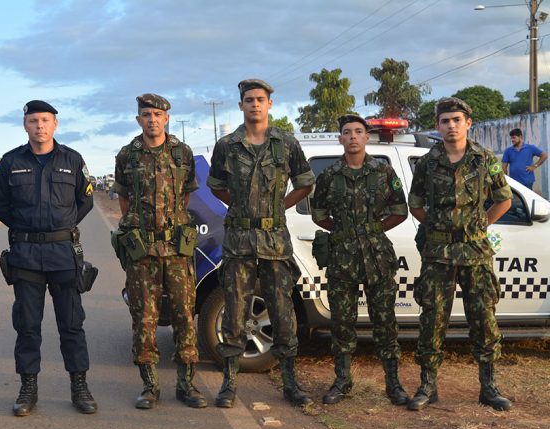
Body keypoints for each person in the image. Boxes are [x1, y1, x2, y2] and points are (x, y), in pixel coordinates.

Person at [207, 79, 316, 408]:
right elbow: (216, 185)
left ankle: (290, 382)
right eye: (249, 100)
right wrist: (240, 206)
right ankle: (229, 382)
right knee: (234, 311)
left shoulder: (286, 143)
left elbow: (305, 182)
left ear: (270, 104)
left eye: (260, 99)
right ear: (240, 105)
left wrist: (279, 207)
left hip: (274, 241)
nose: (255, 104)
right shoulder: (227, 145)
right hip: (239, 240)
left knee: (282, 311)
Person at [0, 100, 97, 416]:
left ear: (55, 124)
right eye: (34, 120)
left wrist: (61, 226)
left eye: (45, 120)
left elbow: (86, 200)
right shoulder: (10, 161)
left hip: (63, 255)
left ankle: (79, 386)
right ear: (25, 124)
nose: (40, 126)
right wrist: (27, 228)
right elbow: (0, 205)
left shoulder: (72, 159)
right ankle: (28, 389)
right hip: (25, 256)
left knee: (72, 325)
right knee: (27, 326)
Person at [407, 97, 513, 412]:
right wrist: (437, 227)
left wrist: (479, 226)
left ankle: (489, 388)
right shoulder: (427, 163)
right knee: (432, 319)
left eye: (456, 120)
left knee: (483, 318)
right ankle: (428, 386)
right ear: (437, 126)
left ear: (468, 123)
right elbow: (415, 204)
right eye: (445, 121)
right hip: (438, 253)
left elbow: (504, 199)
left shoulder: (486, 159)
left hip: (475, 251)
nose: (451, 126)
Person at [113, 93, 206, 410]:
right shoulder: (127, 155)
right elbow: (124, 200)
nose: (152, 119)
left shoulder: (182, 153)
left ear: (166, 118)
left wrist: (172, 224)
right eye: (146, 114)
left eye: (157, 114)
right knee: (144, 318)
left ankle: (186, 385)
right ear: (138, 119)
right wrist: (140, 227)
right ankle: (150, 386)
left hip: (177, 250)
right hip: (142, 252)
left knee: (184, 315)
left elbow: (186, 197)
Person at [311, 115, 410, 406]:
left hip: (377, 256)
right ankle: (342, 381)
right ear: (340, 139)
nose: (353, 136)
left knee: (385, 322)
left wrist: (374, 229)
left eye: (358, 131)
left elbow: (400, 210)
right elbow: (318, 214)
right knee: (342, 323)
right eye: (347, 132)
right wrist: (343, 231)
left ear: (367, 137)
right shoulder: (329, 175)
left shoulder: (383, 171)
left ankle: (393, 383)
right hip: (342, 258)